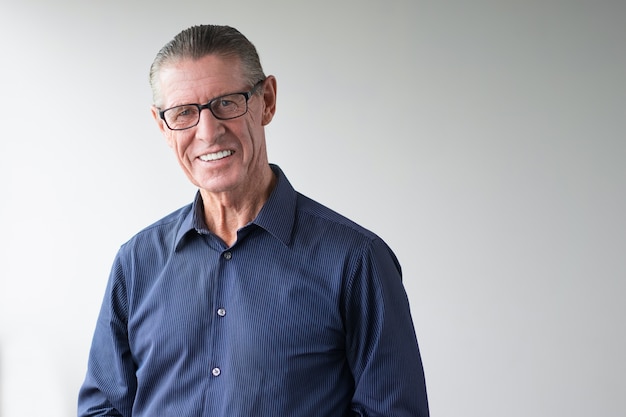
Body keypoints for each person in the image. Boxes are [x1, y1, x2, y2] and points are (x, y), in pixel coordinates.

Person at [78, 24, 429, 417]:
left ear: (267, 101)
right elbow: (102, 410)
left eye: (226, 103)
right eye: (183, 113)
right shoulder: (136, 262)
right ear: (163, 126)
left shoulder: (357, 260)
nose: (208, 132)